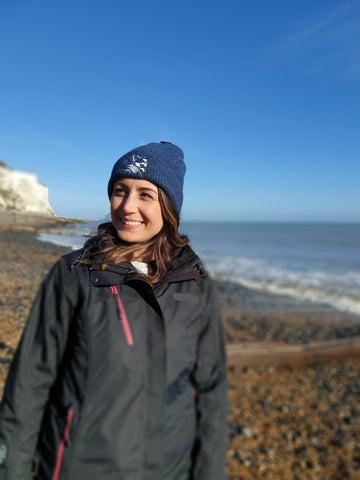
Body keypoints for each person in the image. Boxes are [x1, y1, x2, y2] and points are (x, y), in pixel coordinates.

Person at [0, 141, 228, 480]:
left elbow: (211, 392)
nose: (127, 206)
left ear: (169, 207)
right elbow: (31, 382)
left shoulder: (195, 283)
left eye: (145, 195)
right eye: (120, 191)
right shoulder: (74, 273)